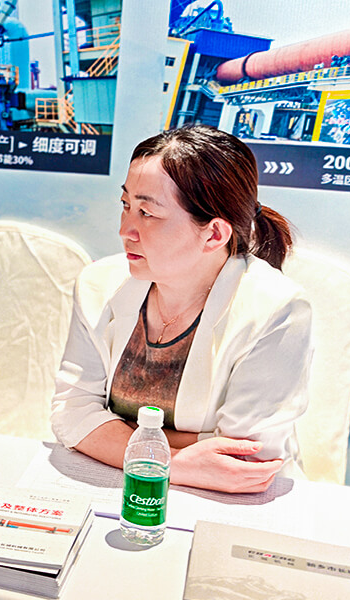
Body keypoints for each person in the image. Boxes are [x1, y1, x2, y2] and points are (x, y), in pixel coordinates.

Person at [50, 124, 312, 494]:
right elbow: (71, 411)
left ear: (214, 234)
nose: (126, 230)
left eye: (147, 212)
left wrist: (109, 432)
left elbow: (242, 459)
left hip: (230, 501)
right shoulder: (99, 283)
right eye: (126, 205)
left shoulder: (277, 308)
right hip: (117, 485)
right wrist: (174, 461)